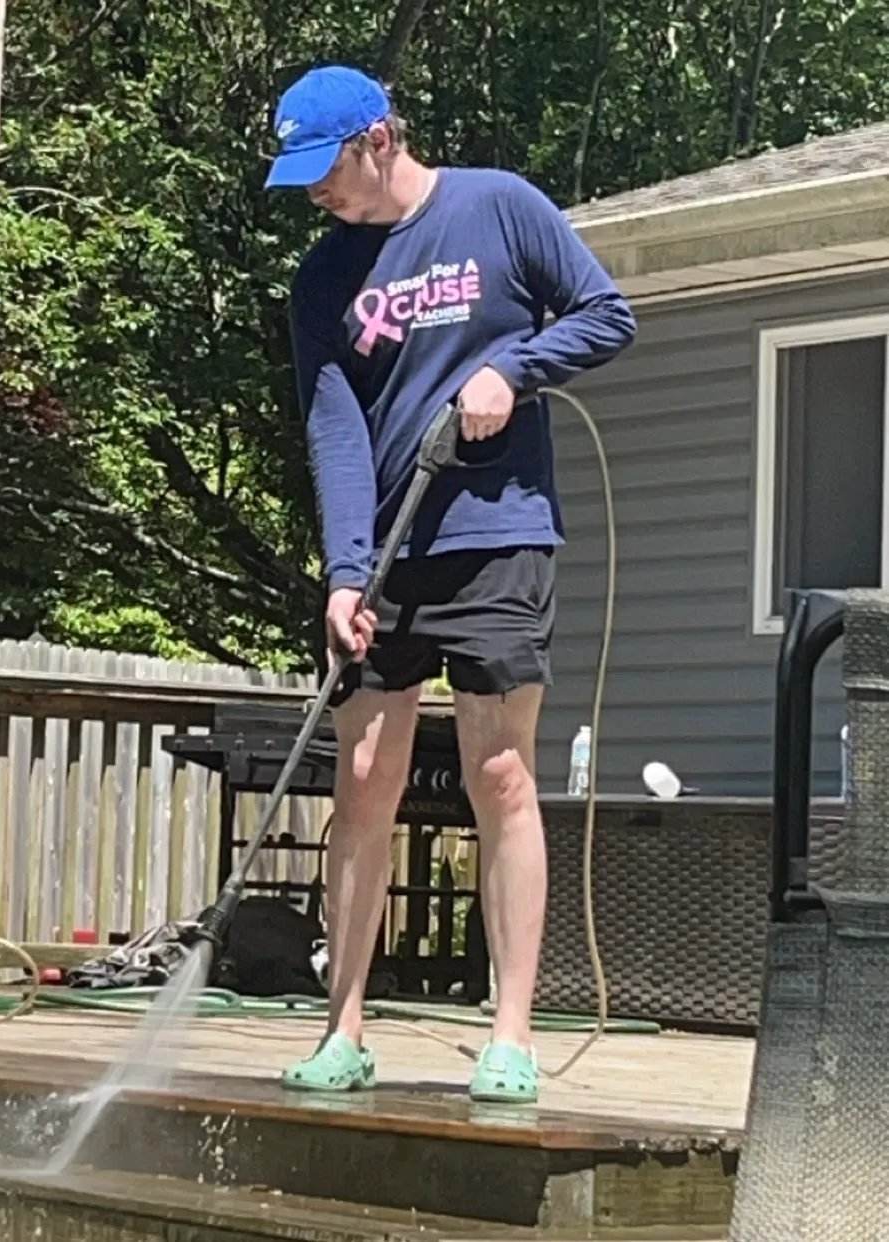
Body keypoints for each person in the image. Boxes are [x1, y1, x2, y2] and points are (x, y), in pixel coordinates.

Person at [265, 64, 636, 1103]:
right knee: (364, 776)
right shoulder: (322, 279)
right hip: (387, 552)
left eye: (325, 169)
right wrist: (343, 573)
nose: (315, 194)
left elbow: (610, 315)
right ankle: (345, 1030)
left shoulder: (499, 208)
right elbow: (334, 430)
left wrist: (511, 370)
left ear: (379, 138)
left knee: (501, 775)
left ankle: (509, 1035)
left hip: (497, 534)